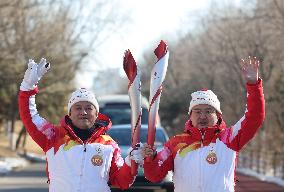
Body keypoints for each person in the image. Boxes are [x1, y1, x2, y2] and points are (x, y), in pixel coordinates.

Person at [142, 56, 265, 192]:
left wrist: (253, 85)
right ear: (190, 115)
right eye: (197, 111)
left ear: (217, 114)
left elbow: (254, 117)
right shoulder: (175, 144)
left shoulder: (229, 138)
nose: (202, 116)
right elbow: (153, 175)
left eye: (208, 111)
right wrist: (151, 159)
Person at [18, 58, 143, 192]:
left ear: (96, 114)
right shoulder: (53, 136)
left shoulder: (109, 145)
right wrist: (28, 87)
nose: (83, 112)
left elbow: (122, 182)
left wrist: (131, 163)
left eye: (89, 108)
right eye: (77, 108)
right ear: (70, 114)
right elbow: (30, 117)